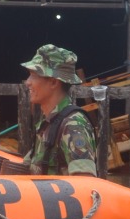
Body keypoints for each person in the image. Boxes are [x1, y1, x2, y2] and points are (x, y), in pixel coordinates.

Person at [21, 44, 97, 175]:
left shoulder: (73, 125)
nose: (27, 82)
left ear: (53, 82)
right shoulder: (48, 123)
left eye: (34, 75)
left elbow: (85, 184)